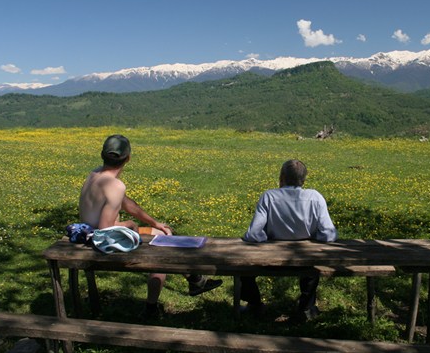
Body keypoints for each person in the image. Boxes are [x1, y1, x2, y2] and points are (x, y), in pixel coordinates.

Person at [79, 134, 222, 319]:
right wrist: (129, 224)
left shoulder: (96, 174)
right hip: (101, 241)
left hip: (86, 234)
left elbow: (126, 203)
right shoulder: (115, 185)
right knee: (161, 248)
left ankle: (195, 280)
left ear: (102, 155)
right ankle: (152, 308)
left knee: (163, 233)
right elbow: (105, 228)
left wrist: (154, 223)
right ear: (128, 158)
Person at [240, 159, 337, 321]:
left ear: (282, 177)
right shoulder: (315, 197)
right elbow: (330, 235)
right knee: (312, 272)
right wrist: (312, 237)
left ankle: (254, 304)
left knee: (243, 268)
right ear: (303, 179)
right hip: (305, 261)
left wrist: (267, 237)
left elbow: (253, 234)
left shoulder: (269, 197)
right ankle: (306, 307)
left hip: (268, 261)